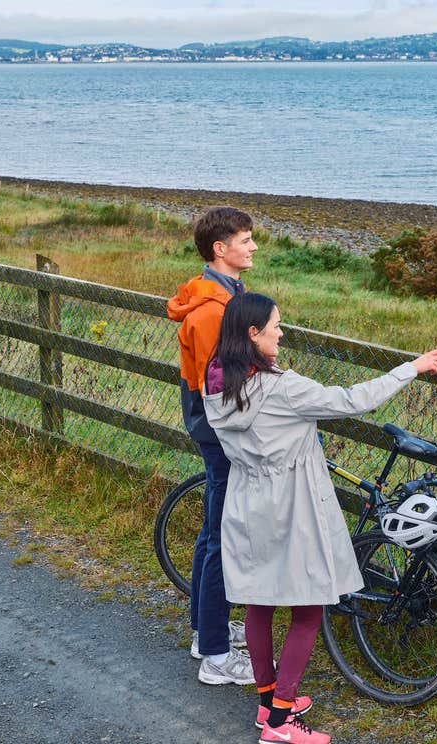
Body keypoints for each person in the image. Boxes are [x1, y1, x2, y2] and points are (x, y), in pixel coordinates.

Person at [203, 292, 437, 744]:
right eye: (275, 325)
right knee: (308, 608)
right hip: (291, 510)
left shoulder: (217, 384)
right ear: (253, 334)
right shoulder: (282, 388)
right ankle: (280, 723)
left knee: (259, 604)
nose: (282, 332)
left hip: (246, 503)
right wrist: (409, 369)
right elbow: (353, 400)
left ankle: (266, 703)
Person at [166, 206, 258, 685]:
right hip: (219, 431)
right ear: (220, 249)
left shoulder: (228, 296)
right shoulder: (208, 313)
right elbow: (215, 389)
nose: (253, 247)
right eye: (246, 240)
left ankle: (208, 630)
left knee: (213, 529)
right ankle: (217, 657)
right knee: (222, 536)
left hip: (215, 426)